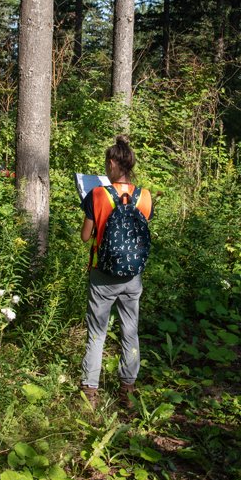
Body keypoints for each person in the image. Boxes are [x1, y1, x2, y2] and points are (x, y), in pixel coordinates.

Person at [79, 136, 154, 407]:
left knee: (97, 331)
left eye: (106, 164)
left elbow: (85, 237)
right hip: (133, 275)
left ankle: (90, 391)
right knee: (130, 330)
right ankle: (128, 389)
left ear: (112, 163)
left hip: (103, 274)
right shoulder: (145, 196)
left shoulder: (97, 195)